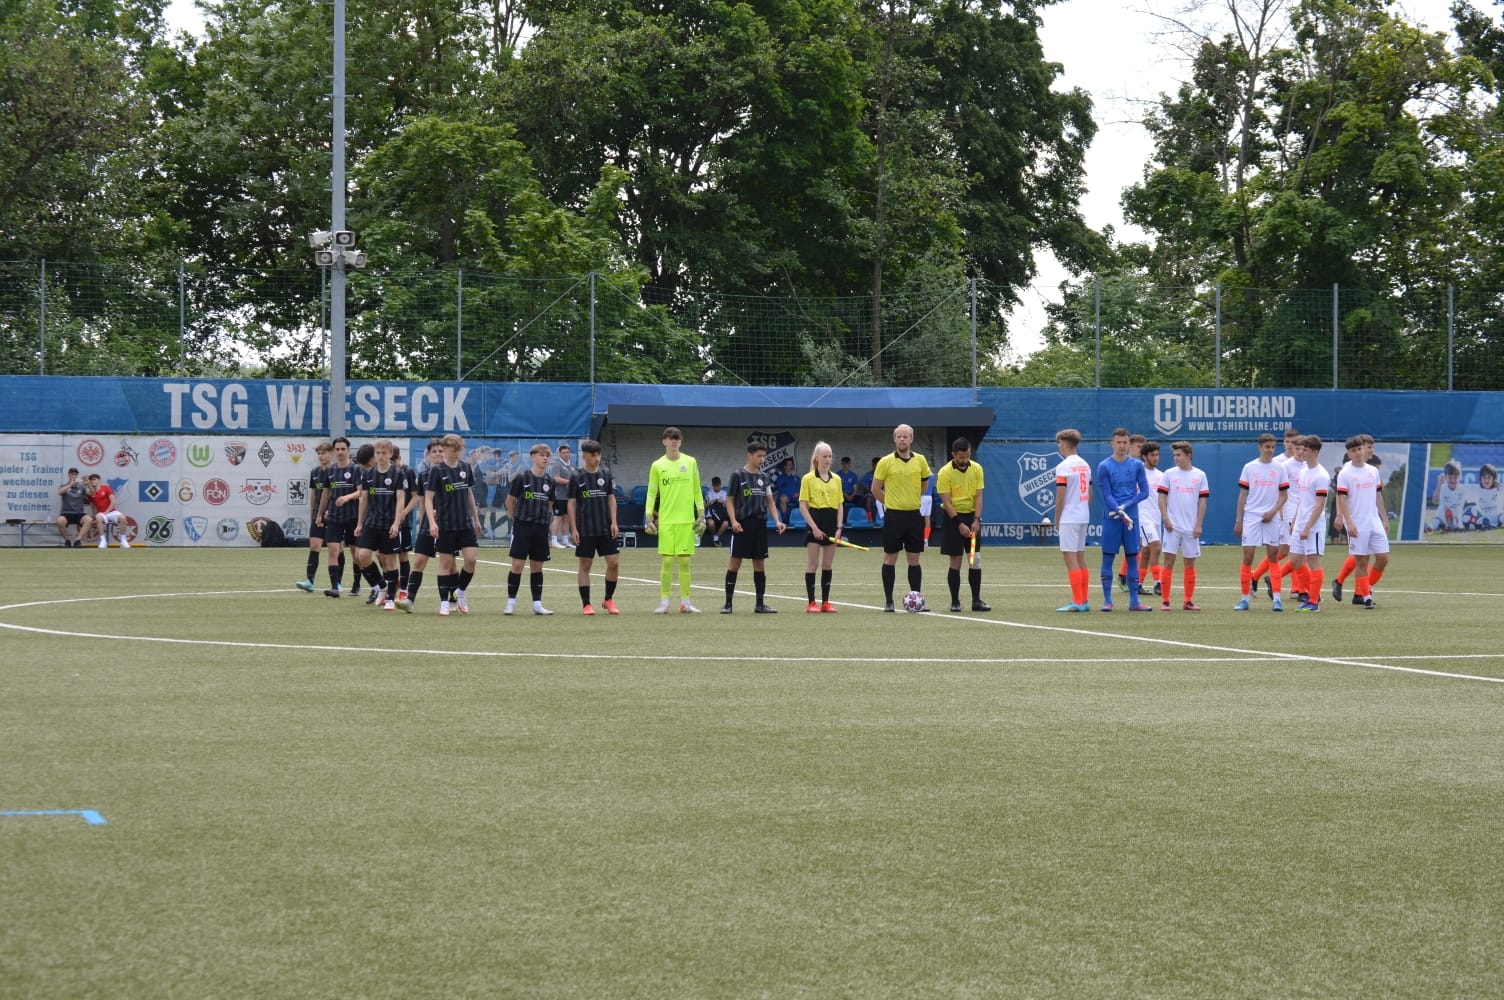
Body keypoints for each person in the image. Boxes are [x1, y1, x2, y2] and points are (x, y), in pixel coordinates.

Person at [645, 427, 705, 613]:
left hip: (686, 521)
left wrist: (701, 514)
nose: (673, 441)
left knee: (685, 562)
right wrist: (648, 516)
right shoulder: (657, 465)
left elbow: (697, 489)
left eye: (676, 438)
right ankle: (664, 603)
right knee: (668, 562)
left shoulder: (690, 462)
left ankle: (686, 603)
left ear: (681, 441)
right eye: (670, 438)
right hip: (666, 521)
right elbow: (651, 492)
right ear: (664, 441)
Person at [872, 423, 931, 612]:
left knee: (914, 559)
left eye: (906, 436)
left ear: (911, 439)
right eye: (899, 436)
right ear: (894, 439)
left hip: (914, 515)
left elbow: (924, 485)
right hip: (894, 517)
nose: (902, 439)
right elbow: (875, 489)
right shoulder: (885, 462)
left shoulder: (920, 460)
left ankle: (917, 599)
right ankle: (889, 601)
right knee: (890, 557)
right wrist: (890, 502)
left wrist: (911, 498)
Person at [423, 432, 482, 616]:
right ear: (445, 449)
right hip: (446, 524)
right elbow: (428, 498)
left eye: (459, 449)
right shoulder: (437, 471)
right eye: (453, 449)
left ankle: (460, 592)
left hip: (465, 523)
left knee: (471, 560)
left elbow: (469, 493)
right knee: (446, 562)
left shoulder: (465, 467)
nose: (456, 452)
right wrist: (432, 522)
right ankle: (444, 603)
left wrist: (476, 519)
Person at [722, 442, 785, 614]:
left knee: (759, 564)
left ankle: (760, 604)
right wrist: (733, 521)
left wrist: (777, 521)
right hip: (742, 525)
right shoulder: (737, 475)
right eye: (759, 456)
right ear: (749, 455)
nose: (762, 459)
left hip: (759, 525)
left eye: (764, 456)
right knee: (735, 563)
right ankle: (728, 604)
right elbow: (730, 500)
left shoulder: (764, 477)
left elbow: (770, 502)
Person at [1096, 428, 1151, 611]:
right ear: (1112, 444)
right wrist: (1117, 509)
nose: (1121, 446)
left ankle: (1134, 602)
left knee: (1132, 558)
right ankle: (1107, 601)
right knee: (1108, 558)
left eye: (1125, 442)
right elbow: (1106, 494)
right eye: (1118, 442)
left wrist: (1126, 506)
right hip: (1112, 519)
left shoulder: (1137, 466)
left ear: (1129, 444)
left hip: (1131, 519)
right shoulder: (1104, 466)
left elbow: (1144, 492)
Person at [1232, 433, 1289, 611]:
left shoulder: (1279, 468)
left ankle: (1277, 600)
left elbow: (1284, 495)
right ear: (1259, 447)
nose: (1270, 450)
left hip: (1271, 517)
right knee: (1248, 555)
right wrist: (1239, 520)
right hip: (1251, 516)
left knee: (1273, 556)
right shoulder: (1249, 467)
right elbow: (1242, 495)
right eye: (1267, 447)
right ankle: (1244, 599)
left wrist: (1273, 512)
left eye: (1273, 447)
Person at [936, 437, 990, 612]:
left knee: (975, 560)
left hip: (972, 518)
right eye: (961, 457)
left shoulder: (977, 469)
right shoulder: (945, 473)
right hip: (953, 519)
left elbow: (979, 497)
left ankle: (976, 601)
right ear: (953, 455)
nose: (964, 460)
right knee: (956, 560)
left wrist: (977, 519)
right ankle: (955, 602)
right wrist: (959, 524)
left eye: (967, 456)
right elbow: (946, 502)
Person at [1335, 434, 1389, 609]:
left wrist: (1385, 518)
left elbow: (1378, 495)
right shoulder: (1345, 473)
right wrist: (1348, 522)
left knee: (1383, 558)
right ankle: (1366, 596)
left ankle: (1367, 587)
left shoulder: (1373, 471)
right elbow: (1341, 498)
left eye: (1359, 449)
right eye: (1354, 450)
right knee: (1362, 561)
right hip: (1357, 523)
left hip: (1374, 521)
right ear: (1349, 454)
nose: (1358, 453)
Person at [568, 439, 621, 615]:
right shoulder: (576, 476)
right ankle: (586, 604)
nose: (597, 458)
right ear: (584, 456)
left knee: (614, 563)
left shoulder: (606, 474)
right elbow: (571, 503)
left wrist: (614, 522)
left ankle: (608, 599)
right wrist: (574, 528)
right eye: (593, 455)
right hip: (586, 528)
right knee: (586, 565)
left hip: (606, 527)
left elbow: (611, 498)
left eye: (598, 454)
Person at [353, 439, 407, 610]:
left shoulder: (398, 474)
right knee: (362, 556)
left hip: (389, 524)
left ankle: (390, 598)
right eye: (378, 453)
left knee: (390, 561)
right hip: (371, 522)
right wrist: (359, 523)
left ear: (390, 454)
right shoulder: (368, 474)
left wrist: (396, 523)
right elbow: (364, 499)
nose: (381, 456)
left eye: (384, 453)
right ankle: (381, 586)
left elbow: (400, 500)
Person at [506, 443, 558, 615]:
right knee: (517, 565)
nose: (545, 458)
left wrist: (542, 521)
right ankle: (511, 602)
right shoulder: (522, 478)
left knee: (537, 566)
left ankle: (537, 604)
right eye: (542, 455)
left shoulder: (550, 481)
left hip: (541, 528)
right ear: (533, 457)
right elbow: (510, 502)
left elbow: (550, 504)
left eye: (547, 455)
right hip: (523, 527)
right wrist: (517, 520)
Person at [1251, 427, 1304, 595]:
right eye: (1288, 441)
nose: (1291, 445)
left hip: (1302, 511)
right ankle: (1298, 588)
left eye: (1294, 442)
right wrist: (1279, 509)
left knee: (1291, 550)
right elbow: (1278, 489)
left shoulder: (1305, 463)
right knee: (1289, 550)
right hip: (1287, 511)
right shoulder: (1280, 463)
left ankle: (1260, 577)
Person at [1156, 440, 1208, 611]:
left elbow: (1203, 501)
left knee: (1189, 563)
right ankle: (1165, 601)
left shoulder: (1200, 475)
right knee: (1168, 562)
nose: (1175, 458)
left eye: (1178, 455)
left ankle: (1188, 601)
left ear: (1188, 455)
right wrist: (1166, 519)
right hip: (1172, 527)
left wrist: (1198, 524)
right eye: (1174, 455)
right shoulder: (1169, 474)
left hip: (1191, 528)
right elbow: (1161, 498)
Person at [396, 439, 445, 613]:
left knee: (449, 564)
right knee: (418, 561)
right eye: (434, 451)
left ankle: (453, 597)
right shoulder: (423, 476)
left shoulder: (451, 473)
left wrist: (440, 512)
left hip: (447, 524)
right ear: (429, 454)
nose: (438, 454)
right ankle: (410, 599)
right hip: (428, 525)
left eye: (440, 451)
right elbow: (423, 501)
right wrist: (424, 522)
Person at [798, 441, 845, 612]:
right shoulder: (808, 478)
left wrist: (839, 528)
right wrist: (814, 528)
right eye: (825, 456)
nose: (828, 459)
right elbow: (803, 505)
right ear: (817, 457)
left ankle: (825, 602)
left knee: (827, 565)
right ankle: (811, 603)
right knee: (813, 564)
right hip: (815, 521)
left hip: (831, 522)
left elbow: (840, 505)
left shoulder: (837, 479)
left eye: (830, 456)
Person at [1288, 434, 1331, 612]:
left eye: (1305, 449)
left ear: (1314, 451)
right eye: (1300, 449)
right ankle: (1314, 594)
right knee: (1295, 561)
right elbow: (1302, 500)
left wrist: (1307, 526)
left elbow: (1320, 505)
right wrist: (1295, 521)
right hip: (1300, 523)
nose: (1301, 452)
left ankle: (1313, 602)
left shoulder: (1321, 475)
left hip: (1314, 526)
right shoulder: (1303, 472)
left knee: (1313, 562)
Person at [1053, 429, 1093, 611]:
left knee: (1070, 557)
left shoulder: (1064, 466)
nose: (1059, 446)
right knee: (1080, 556)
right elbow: (1090, 492)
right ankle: (1084, 600)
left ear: (1065, 443)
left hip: (1069, 516)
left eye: (1059, 442)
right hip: (1083, 515)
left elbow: (1060, 496)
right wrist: (1082, 507)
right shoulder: (1085, 465)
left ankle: (1077, 601)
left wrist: (1057, 518)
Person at [316, 437, 361, 595]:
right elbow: (326, 493)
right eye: (337, 449)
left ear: (348, 450)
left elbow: (361, 492)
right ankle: (335, 587)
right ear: (334, 451)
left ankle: (356, 584)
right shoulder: (330, 470)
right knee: (333, 550)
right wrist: (319, 513)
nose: (340, 452)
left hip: (352, 517)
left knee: (356, 553)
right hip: (334, 517)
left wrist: (347, 497)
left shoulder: (356, 469)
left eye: (343, 449)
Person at [295, 442, 334, 591]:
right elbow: (313, 494)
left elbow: (337, 493)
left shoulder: (336, 472)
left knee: (335, 549)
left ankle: (337, 583)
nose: (321, 456)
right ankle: (310, 581)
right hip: (318, 515)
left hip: (334, 515)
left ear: (331, 453)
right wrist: (313, 513)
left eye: (324, 453)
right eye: (319, 453)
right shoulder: (315, 472)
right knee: (314, 546)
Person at [1136, 441, 1165, 599]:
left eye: (1157, 455)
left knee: (1146, 551)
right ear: (1144, 456)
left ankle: (1138, 584)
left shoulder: (1161, 475)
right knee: (1156, 546)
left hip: (1156, 518)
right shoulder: (1137, 472)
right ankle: (1158, 582)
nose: (1155, 458)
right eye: (1152, 455)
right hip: (1142, 517)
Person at [86, 473, 128, 549]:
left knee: (123, 518)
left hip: (111, 512)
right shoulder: (91, 493)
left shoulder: (106, 488)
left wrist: (107, 512)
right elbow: (92, 506)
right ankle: (103, 541)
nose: (92, 481)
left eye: (94, 479)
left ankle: (123, 541)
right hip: (101, 513)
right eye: (91, 480)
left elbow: (113, 501)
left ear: (99, 480)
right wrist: (95, 515)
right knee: (98, 517)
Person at [55, 468, 93, 547]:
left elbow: (92, 494)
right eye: (72, 474)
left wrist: (89, 484)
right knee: (59, 521)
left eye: (75, 474)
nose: (74, 476)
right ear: (68, 475)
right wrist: (70, 485)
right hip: (66, 513)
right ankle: (67, 541)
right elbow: (59, 492)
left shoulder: (81, 486)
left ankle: (78, 541)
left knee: (89, 519)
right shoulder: (64, 486)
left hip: (79, 513)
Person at [547, 443, 575, 548]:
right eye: (564, 453)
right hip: (559, 496)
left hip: (570, 497)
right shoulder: (557, 464)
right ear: (560, 454)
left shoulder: (572, 466)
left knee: (567, 518)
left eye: (567, 452)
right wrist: (570, 482)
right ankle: (554, 541)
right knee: (557, 518)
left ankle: (565, 541)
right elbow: (556, 478)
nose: (566, 454)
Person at [1426, 460, 1466, 533]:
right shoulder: (1442, 487)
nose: (1453, 480)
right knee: (1436, 520)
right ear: (1445, 476)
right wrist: (1439, 484)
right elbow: (1435, 501)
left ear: (1459, 477)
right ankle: (1430, 528)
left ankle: (1450, 526)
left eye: (1455, 477)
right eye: (1450, 477)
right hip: (1440, 517)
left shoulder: (1462, 489)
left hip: (1455, 517)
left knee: (1455, 520)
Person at [704, 476, 730, 546]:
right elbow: (704, 506)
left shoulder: (724, 493)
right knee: (711, 524)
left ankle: (716, 537)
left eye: (718, 486)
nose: (717, 488)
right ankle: (714, 536)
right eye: (715, 486)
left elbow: (729, 505)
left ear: (720, 485)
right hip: (711, 515)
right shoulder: (709, 493)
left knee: (726, 524)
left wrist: (723, 502)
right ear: (712, 486)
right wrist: (710, 502)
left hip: (721, 515)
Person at [1475, 463, 1500, 530]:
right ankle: (1488, 525)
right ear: (1480, 479)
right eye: (1484, 477)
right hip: (1484, 520)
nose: (1486, 480)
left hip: (1498, 518)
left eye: (1489, 477)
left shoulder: (1498, 489)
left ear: (1493, 478)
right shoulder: (1477, 490)